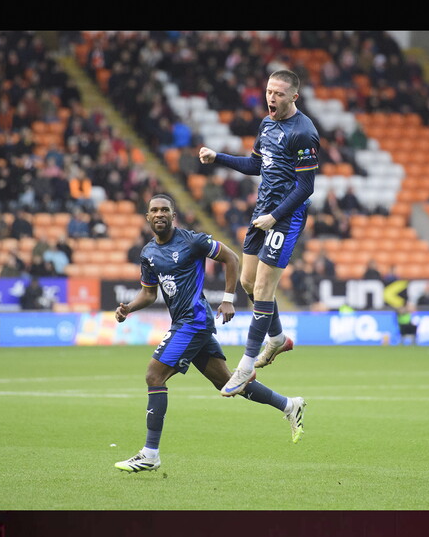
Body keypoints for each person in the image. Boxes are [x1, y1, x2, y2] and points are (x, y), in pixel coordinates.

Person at [112, 194, 307, 474]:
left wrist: (227, 299)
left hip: (194, 321)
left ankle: (150, 454)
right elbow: (149, 293)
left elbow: (231, 258)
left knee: (154, 376)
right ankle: (289, 405)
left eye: (165, 210)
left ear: (173, 215)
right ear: (147, 217)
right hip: (186, 322)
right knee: (226, 381)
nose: (159, 214)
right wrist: (128, 309)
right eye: (154, 210)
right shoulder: (148, 253)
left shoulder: (192, 241)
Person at [198, 69, 319, 394]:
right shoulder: (266, 124)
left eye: (278, 94)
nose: (271, 98)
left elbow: (306, 187)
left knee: (264, 288)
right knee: (248, 282)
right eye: (268, 92)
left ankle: (245, 366)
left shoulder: (304, 132)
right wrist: (218, 157)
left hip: (286, 216)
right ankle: (277, 338)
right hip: (263, 211)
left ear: (293, 97)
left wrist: (275, 216)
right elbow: (256, 165)